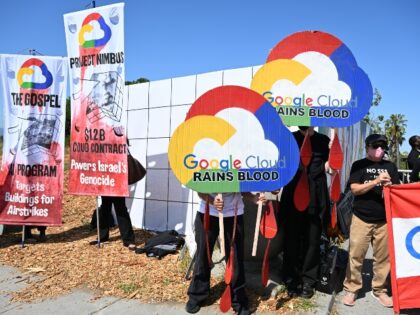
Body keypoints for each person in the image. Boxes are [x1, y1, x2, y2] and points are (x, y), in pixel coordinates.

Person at [342, 134, 399, 308]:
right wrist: (375, 181)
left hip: (384, 220)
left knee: (383, 259)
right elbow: (355, 189)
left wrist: (390, 186)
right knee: (356, 255)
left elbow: (396, 191)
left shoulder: (390, 166)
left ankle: (380, 290)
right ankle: (352, 288)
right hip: (361, 218)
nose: (379, 150)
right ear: (367, 147)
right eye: (375, 146)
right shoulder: (359, 165)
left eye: (382, 147)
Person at [186, 192, 265, 315]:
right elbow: (197, 185)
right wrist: (211, 201)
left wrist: (253, 197)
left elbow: (240, 183)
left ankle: (238, 299)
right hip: (207, 211)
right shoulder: (204, 171)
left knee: (235, 258)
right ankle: (197, 294)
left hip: (234, 213)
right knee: (203, 255)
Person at [280, 126, 332, 299]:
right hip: (293, 194)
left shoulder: (324, 141)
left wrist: (335, 149)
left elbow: (329, 166)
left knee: (313, 240)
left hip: (316, 197)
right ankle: (291, 279)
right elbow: (280, 163)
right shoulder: (288, 138)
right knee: (292, 239)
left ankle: (309, 280)